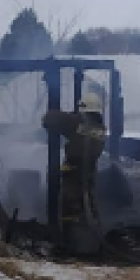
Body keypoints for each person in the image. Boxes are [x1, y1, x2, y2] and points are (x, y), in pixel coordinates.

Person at [42, 92, 106, 251]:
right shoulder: (100, 129)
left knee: (70, 207)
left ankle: (72, 243)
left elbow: (49, 119)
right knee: (89, 206)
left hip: (74, 175)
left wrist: (67, 115)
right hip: (88, 175)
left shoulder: (78, 122)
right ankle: (93, 241)